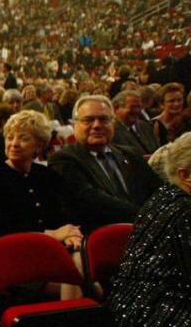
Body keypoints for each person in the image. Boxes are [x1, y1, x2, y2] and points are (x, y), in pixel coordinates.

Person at [107, 134, 191, 327]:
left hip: (158, 304)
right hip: (155, 318)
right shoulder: (182, 211)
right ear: (186, 175)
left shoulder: (168, 197)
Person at [0, 111, 83, 299]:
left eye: (23, 139)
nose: (14, 143)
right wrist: (52, 234)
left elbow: (64, 216)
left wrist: (70, 235)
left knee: (84, 271)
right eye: (9, 137)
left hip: (51, 255)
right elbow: (1, 228)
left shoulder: (47, 175)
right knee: (82, 286)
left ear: (39, 145)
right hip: (14, 258)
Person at [50, 95, 162, 232]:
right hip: (101, 238)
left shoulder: (130, 154)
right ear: (74, 125)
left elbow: (158, 189)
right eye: (88, 120)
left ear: (113, 123)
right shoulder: (64, 159)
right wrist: (148, 216)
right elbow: (95, 202)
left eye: (104, 119)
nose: (97, 125)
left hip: (147, 232)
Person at [112, 90, 159, 155]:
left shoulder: (145, 126)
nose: (137, 111)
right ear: (116, 108)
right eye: (132, 107)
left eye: (139, 107)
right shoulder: (111, 131)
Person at [152, 82, 189, 147]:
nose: (176, 104)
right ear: (162, 104)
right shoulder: (155, 124)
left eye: (179, 100)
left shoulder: (187, 120)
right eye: (171, 101)